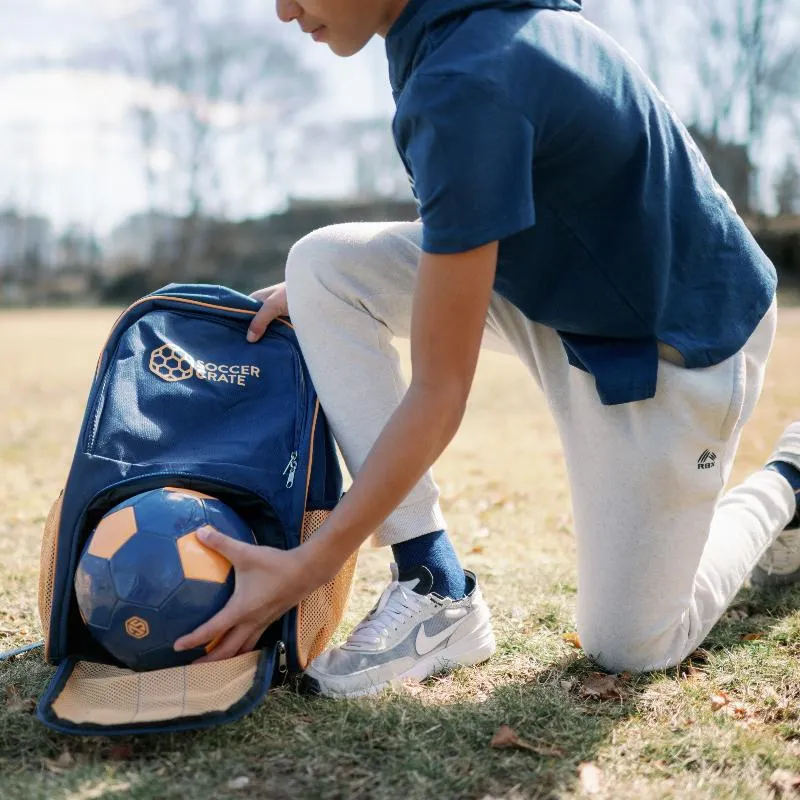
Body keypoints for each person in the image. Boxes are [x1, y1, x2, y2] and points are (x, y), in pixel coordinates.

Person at [173, 0, 800, 697]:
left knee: (630, 644)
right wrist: (345, 288)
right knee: (323, 267)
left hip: (674, 337)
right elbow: (485, 188)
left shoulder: (469, 70)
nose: (285, 11)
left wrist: (313, 563)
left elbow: (440, 395)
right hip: (565, 291)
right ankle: (433, 585)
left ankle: (791, 481)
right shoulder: (450, 30)